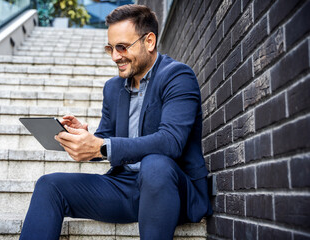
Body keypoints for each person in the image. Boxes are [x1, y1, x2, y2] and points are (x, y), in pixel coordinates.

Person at [19, 4, 212, 240]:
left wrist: (102, 146)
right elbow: (107, 141)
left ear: (149, 41)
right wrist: (85, 139)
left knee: (155, 165)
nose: (114, 56)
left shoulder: (178, 76)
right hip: (124, 186)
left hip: (171, 190)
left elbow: (171, 142)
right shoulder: (113, 88)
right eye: (110, 48)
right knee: (49, 185)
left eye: (122, 47)